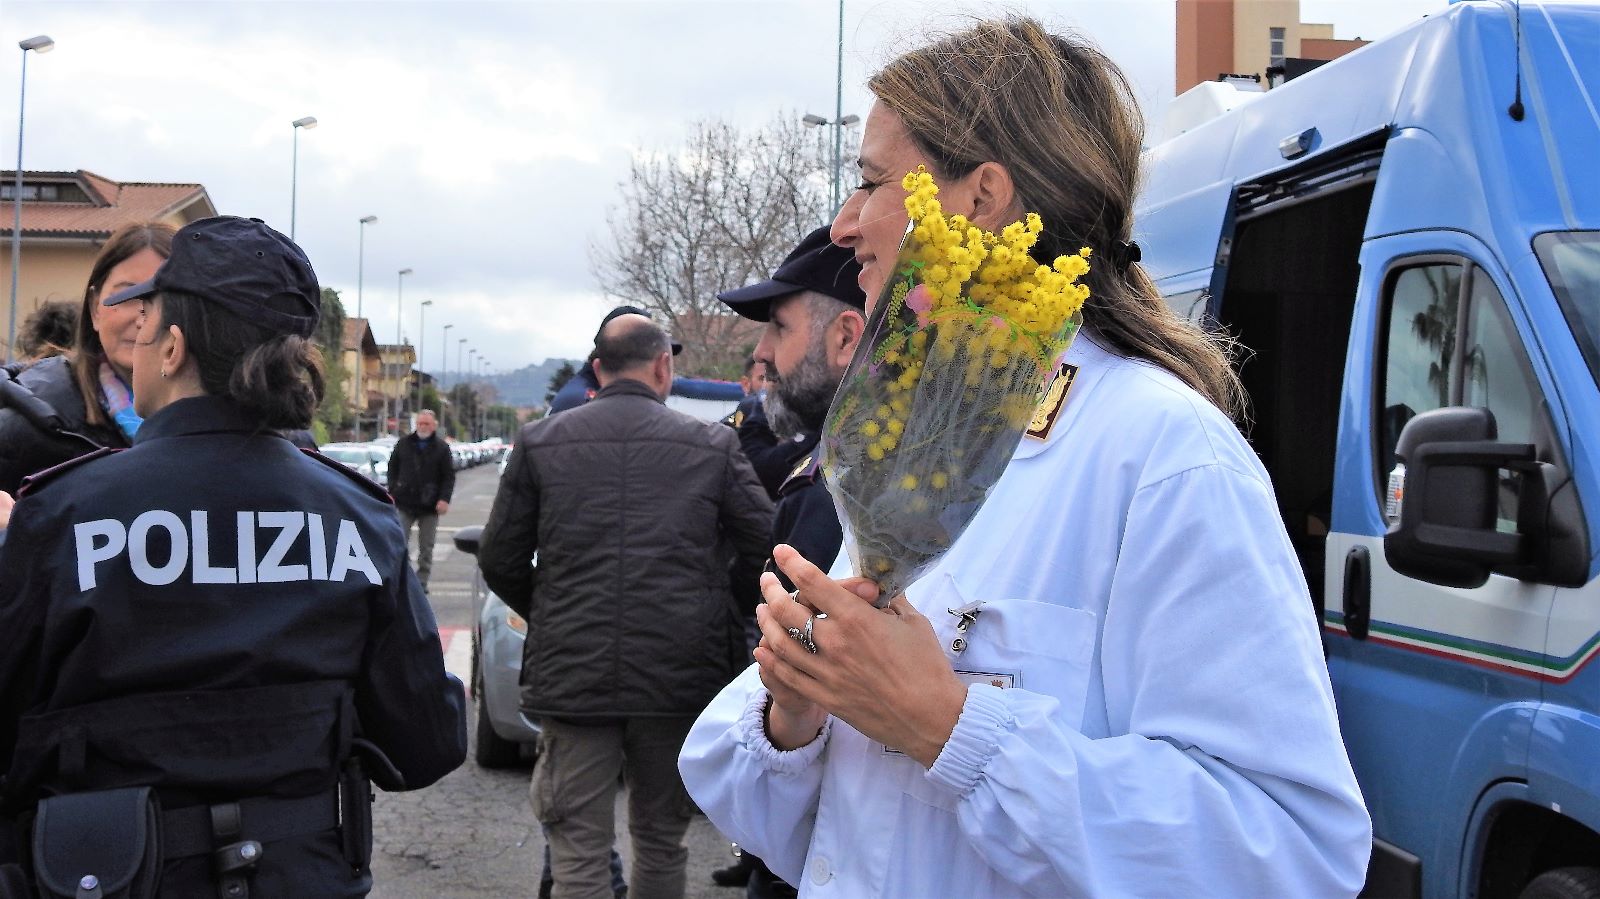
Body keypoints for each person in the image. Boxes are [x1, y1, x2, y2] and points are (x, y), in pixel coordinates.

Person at [678, 18, 1372, 899]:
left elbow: (1293, 848)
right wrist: (799, 704)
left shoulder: (1163, 453)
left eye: (869, 182)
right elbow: (821, 835)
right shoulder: (909, 433)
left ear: (981, 197)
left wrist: (950, 725)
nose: (845, 224)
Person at [0, 215, 467, 896]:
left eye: (146, 318)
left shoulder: (63, 514)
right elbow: (427, 743)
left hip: (106, 874)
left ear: (173, 347)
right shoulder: (360, 518)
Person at [478, 313, 772, 899]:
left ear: (597, 369)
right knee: (663, 841)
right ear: (664, 367)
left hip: (574, 677)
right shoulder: (713, 444)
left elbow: (499, 557)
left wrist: (556, 613)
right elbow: (766, 545)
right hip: (679, 672)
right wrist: (715, 606)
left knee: (577, 848)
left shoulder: (541, 441)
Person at [709, 227, 867, 897]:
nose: (761, 353)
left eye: (778, 327)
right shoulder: (838, 463)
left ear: (846, 336)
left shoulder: (867, 488)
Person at [0, 222, 173, 495]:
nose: (142, 317)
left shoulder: (229, 425)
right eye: (126, 295)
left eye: (163, 298)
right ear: (95, 308)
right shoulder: (28, 424)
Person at [387, 408, 455, 590]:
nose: (422, 427)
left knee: (426, 547)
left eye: (426, 424)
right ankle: (404, 579)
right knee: (399, 542)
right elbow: (392, 468)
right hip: (404, 502)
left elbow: (449, 477)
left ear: (433, 426)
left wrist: (444, 499)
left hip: (430, 505)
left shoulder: (442, 448)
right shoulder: (403, 444)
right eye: (420, 423)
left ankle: (422, 581)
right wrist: (393, 490)